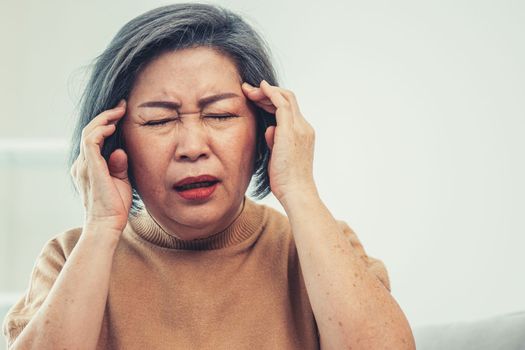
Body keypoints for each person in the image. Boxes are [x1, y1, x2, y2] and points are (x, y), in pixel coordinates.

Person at [2, 3, 415, 349]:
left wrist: (298, 189)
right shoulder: (70, 257)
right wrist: (100, 228)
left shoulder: (321, 248)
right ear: (115, 142)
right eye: (159, 120)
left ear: (263, 129)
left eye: (220, 115)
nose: (193, 146)